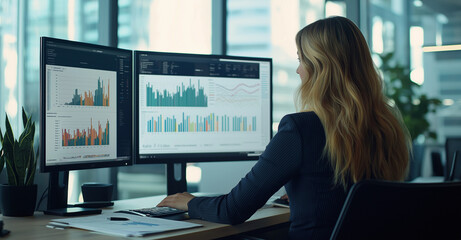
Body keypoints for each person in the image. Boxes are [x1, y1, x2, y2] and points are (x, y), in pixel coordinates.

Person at [157, 16, 411, 239]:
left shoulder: (300, 128)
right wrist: (309, 193)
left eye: (302, 60)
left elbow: (233, 209)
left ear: (321, 68)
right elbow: (356, 192)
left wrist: (190, 203)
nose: (299, 70)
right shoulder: (387, 126)